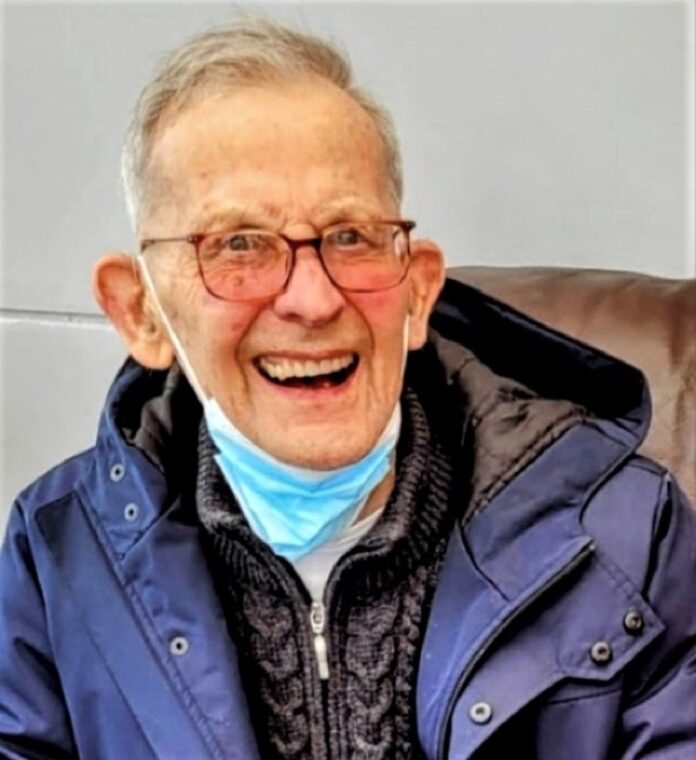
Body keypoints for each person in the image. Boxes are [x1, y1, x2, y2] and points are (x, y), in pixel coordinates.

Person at [1, 16, 695, 760]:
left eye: (350, 237)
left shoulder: (628, 535)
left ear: (418, 291)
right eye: (239, 245)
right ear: (141, 312)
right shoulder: (58, 556)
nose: (312, 300)